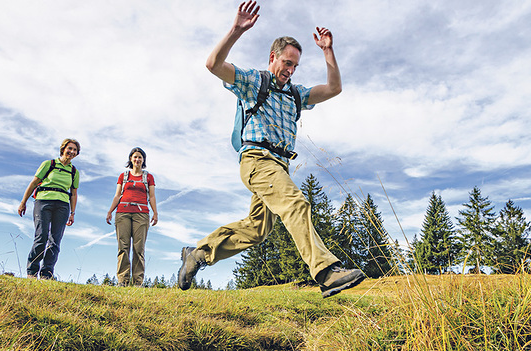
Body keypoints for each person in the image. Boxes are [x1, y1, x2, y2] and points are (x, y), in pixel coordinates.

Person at [178, 1, 365, 298]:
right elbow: (213, 64)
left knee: (256, 230)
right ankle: (326, 272)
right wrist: (236, 29)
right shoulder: (254, 81)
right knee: (296, 204)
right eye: (286, 63)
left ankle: (198, 254)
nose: (289, 70)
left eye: (294, 66)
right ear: (273, 58)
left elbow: (333, 89)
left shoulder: (295, 95)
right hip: (256, 160)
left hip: (279, 165)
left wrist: (328, 50)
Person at [18, 138, 80, 279]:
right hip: (43, 202)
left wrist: (72, 213)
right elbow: (34, 183)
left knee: (55, 240)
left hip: (63, 205)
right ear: (63, 149)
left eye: (75, 150)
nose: (71, 152)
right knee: (42, 236)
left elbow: (74, 193)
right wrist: (23, 202)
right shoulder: (49, 164)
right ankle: (32, 272)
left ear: (77, 154)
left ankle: (47, 273)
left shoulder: (74, 172)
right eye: (69, 148)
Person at [106, 147, 158, 287]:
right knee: (123, 246)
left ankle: (137, 282)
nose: (137, 159)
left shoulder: (148, 177)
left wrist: (155, 213)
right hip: (123, 212)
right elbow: (117, 195)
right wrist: (110, 211)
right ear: (131, 159)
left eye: (140, 157)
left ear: (143, 160)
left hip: (142, 214)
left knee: (138, 248)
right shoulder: (123, 176)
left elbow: (152, 196)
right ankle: (122, 280)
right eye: (135, 157)